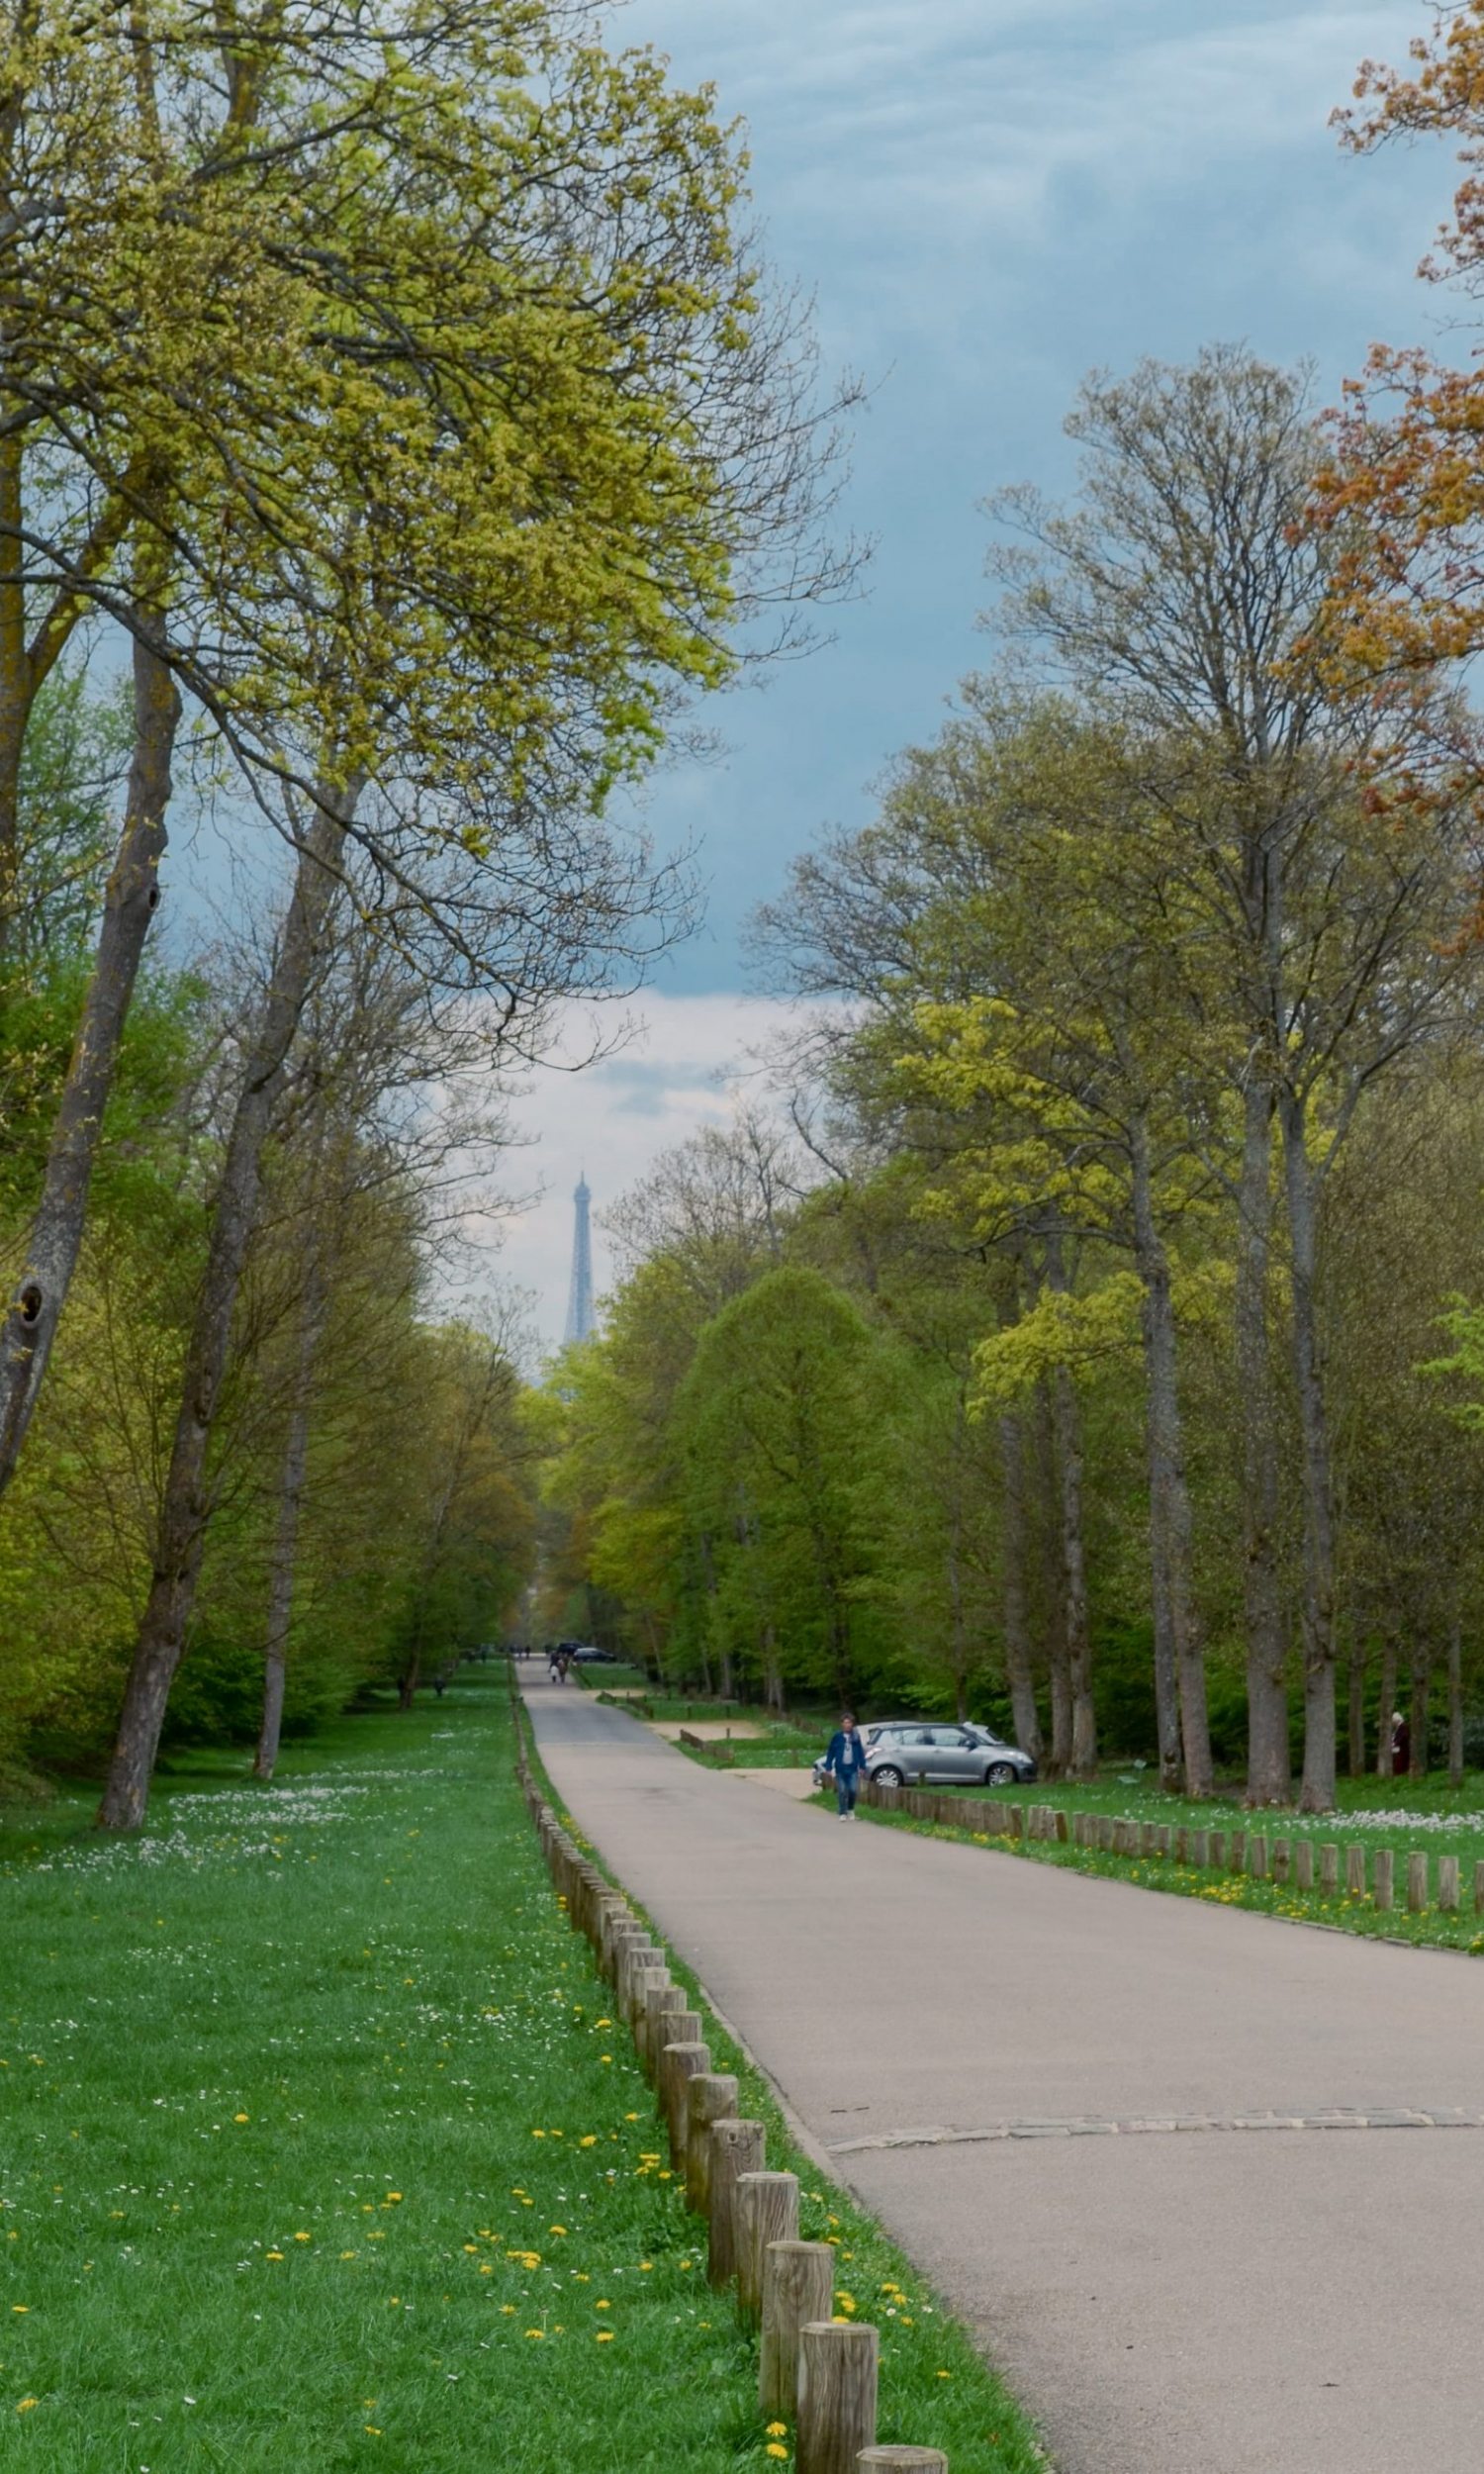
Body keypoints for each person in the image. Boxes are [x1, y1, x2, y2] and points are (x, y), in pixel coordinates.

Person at [822, 1713, 870, 1820]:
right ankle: (842, 1812)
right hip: (840, 1768)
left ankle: (850, 1809)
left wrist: (862, 1766)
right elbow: (831, 1752)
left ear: (852, 1724)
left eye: (849, 1723)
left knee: (853, 1790)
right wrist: (828, 1767)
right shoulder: (837, 1737)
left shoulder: (855, 1737)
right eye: (845, 1723)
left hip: (852, 1768)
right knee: (842, 1791)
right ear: (842, 1724)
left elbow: (860, 1752)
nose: (847, 1725)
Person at [1391, 1708, 1411, 1776]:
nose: (1392, 1722)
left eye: (1393, 1720)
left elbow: (1403, 1736)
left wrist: (1395, 1743)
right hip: (1400, 1748)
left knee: (1400, 1763)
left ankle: (1400, 1775)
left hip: (1402, 1749)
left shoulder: (1403, 1726)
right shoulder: (1399, 1727)